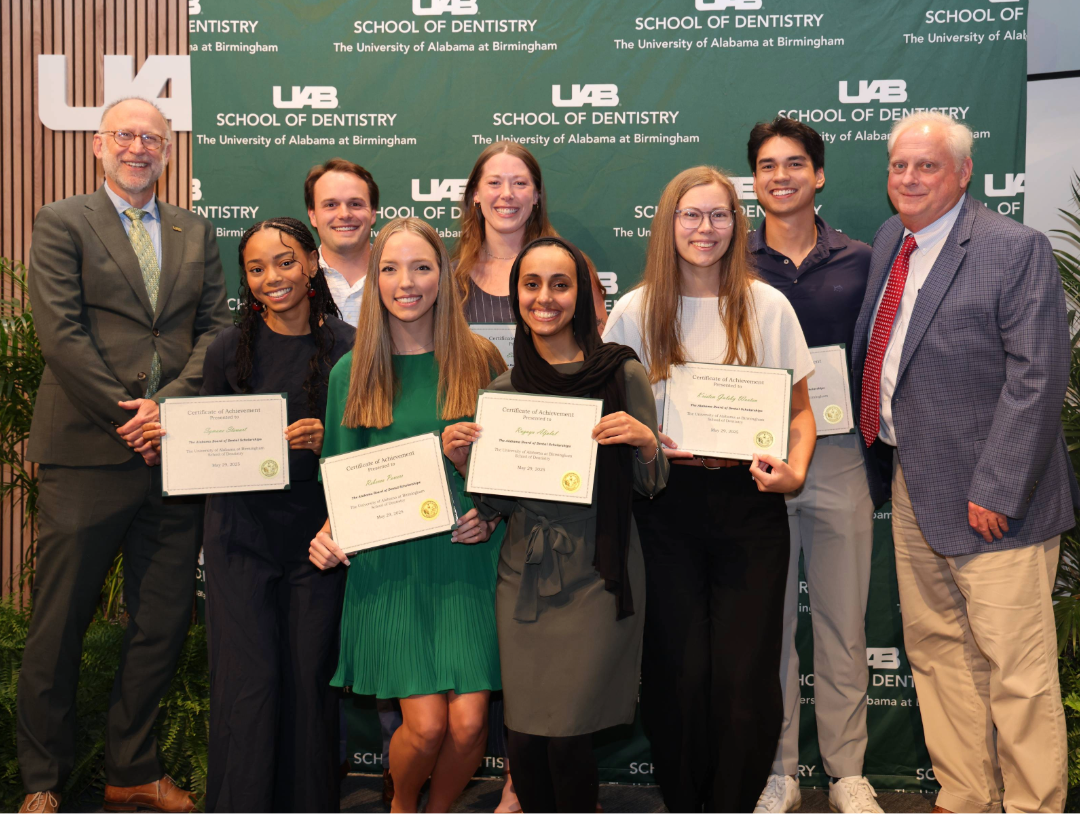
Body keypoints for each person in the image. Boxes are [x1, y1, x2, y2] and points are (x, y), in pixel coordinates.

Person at [852, 111, 1077, 814]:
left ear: (963, 174)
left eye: (927, 166)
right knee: (940, 655)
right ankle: (966, 794)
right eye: (900, 166)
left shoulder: (1013, 248)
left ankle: (1035, 805)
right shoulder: (893, 239)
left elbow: (1037, 376)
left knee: (1018, 669)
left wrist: (1000, 488)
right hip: (916, 486)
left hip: (993, 502)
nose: (910, 179)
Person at [18, 97, 231, 814]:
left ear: (169, 153)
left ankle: (132, 768)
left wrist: (166, 408)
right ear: (99, 147)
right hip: (87, 450)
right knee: (60, 622)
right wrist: (129, 415)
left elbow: (215, 330)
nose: (140, 147)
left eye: (154, 138)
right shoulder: (61, 221)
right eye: (126, 135)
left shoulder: (195, 231)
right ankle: (42, 780)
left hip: (176, 455)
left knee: (161, 620)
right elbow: (61, 333)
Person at [603, 166, 816, 813]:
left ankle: (732, 803)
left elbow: (801, 415)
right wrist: (641, 439)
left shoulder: (768, 306)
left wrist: (796, 471)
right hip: (664, 506)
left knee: (745, 678)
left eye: (719, 215)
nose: (705, 228)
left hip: (750, 505)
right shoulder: (635, 311)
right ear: (669, 223)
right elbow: (610, 421)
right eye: (691, 215)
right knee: (680, 673)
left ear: (737, 223)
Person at [442, 236, 668, 813]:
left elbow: (653, 483)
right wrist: (469, 468)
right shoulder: (503, 390)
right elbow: (498, 499)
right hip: (525, 576)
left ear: (586, 297)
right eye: (532, 284)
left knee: (567, 737)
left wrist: (645, 444)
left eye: (560, 284)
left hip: (598, 571)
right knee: (525, 737)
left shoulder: (622, 375)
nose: (546, 297)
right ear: (516, 295)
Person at [143, 218, 354, 811]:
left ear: (313, 263)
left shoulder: (351, 346)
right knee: (247, 684)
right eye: (257, 268)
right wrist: (174, 443)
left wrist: (327, 439)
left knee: (310, 683)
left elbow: (370, 448)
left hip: (318, 544)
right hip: (239, 538)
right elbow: (204, 446)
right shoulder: (226, 349)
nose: (272, 278)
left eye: (285, 262)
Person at [307, 217, 507, 814]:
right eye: (390, 269)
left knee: (469, 727)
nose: (406, 282)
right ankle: (400, 807)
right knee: (424, 728)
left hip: (466, 560)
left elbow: (509, 469)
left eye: (422, 267)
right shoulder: (353, 371)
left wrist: (489, 513)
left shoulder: (481, 358)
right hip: (392, 568)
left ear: (443, 276)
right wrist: (326, 532)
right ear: (375, 281)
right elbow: (339, 477)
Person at [745, 118, 880, 814]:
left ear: (819, 175)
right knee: (768, 626)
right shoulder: (729, 261)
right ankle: (779, 770)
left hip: (838, 457)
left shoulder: (861, 259)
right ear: (755, 180)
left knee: (841, 623)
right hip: (756, 462)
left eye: (795, 164)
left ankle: (848, 772)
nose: (781, 176)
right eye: (767, 166)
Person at [453, 140, 609, 330]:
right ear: (476, 193)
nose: (507, 194)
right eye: (494, 183)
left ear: (536, 195)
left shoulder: (572, 267)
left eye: (520, 183)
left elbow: (602, 349)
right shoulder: (451, 277)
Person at [305, 158, 379, 326]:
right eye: (331, 205)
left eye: (355, 204)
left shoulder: (401, 279)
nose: (344, 214)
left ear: (373, 213)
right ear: (313, 215)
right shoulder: (295, 282)